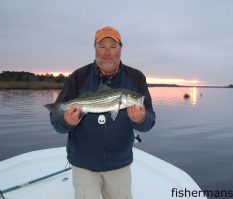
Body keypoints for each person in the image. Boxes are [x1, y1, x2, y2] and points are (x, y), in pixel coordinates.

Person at [49, 26, 156, 199]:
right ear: (95, 48)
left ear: (121, 48)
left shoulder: (136, 77)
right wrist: (66, 122)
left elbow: (150, 120)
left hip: (119, 164)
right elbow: (56, 121)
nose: (107, 53)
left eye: (113, 47)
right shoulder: (78, 77)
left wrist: (141, 120)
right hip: (83, 163)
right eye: (102, 46)